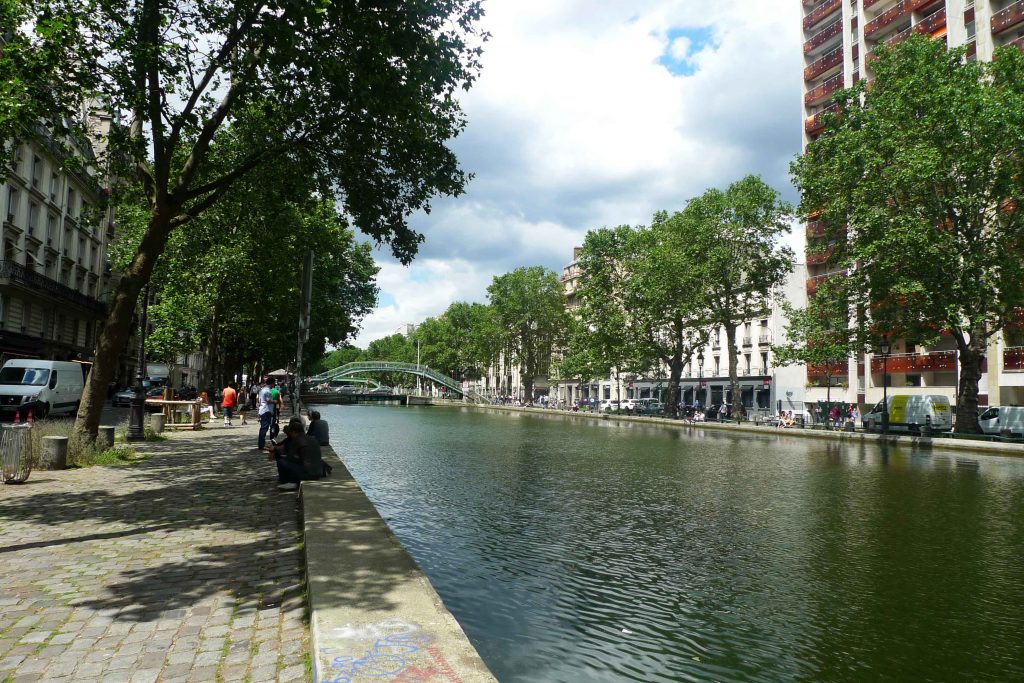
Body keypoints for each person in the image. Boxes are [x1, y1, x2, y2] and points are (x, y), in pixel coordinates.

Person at [267, 417, 327, 492]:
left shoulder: (297, 440)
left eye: (291, 433)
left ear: (294, 432)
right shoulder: (313, 439)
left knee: (281, 462)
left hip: (307, 473)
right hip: (318, 472)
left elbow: (290, 457)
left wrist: (277, 453)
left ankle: (286, 481)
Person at [257, 378, 276, 450]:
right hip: (266, 410)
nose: (274, 385)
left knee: (263, 427)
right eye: (273, 383)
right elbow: (268, 400)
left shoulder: (262, 390)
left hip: (263, 410)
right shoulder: (267, 390)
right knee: (264, 428)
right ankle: (261, 444)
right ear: (271, 383)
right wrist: (275, 401)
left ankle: (261, 444)